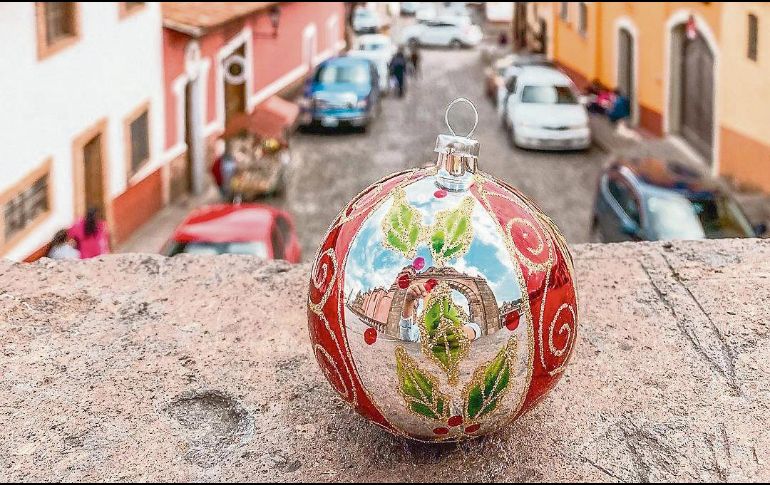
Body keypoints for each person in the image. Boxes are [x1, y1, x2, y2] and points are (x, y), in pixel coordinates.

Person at [399, 281, 482, 343]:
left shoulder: (461, 322)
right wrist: (408, 302)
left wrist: (462, 332)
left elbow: (475, 330)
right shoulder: (419, 329)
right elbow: (407, 336)